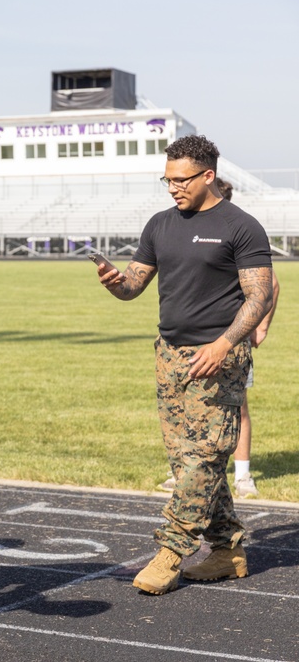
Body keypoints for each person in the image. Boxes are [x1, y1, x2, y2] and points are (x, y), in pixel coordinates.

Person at [96, 134, 274, 596]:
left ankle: (171, 550)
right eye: (167, 179)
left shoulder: (242, 225)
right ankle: (226, 549)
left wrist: (224, 344)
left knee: (205, 457)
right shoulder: (160, 224)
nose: (172, 187)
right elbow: (135, 285)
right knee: (187, 461)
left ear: (208, 175)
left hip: (219, 357)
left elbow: (259, 294)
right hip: (169, 355)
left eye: (181, 179)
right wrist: (117, 282)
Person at [155, 178, 280, 499]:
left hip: (228, 345)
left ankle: (242, 475)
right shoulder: (175, 227)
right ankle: (182, 473)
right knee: (184, 412)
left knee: (238, 410)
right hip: (183, 346)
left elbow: (269, 287)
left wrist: (260, 327)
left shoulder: (239, 228)